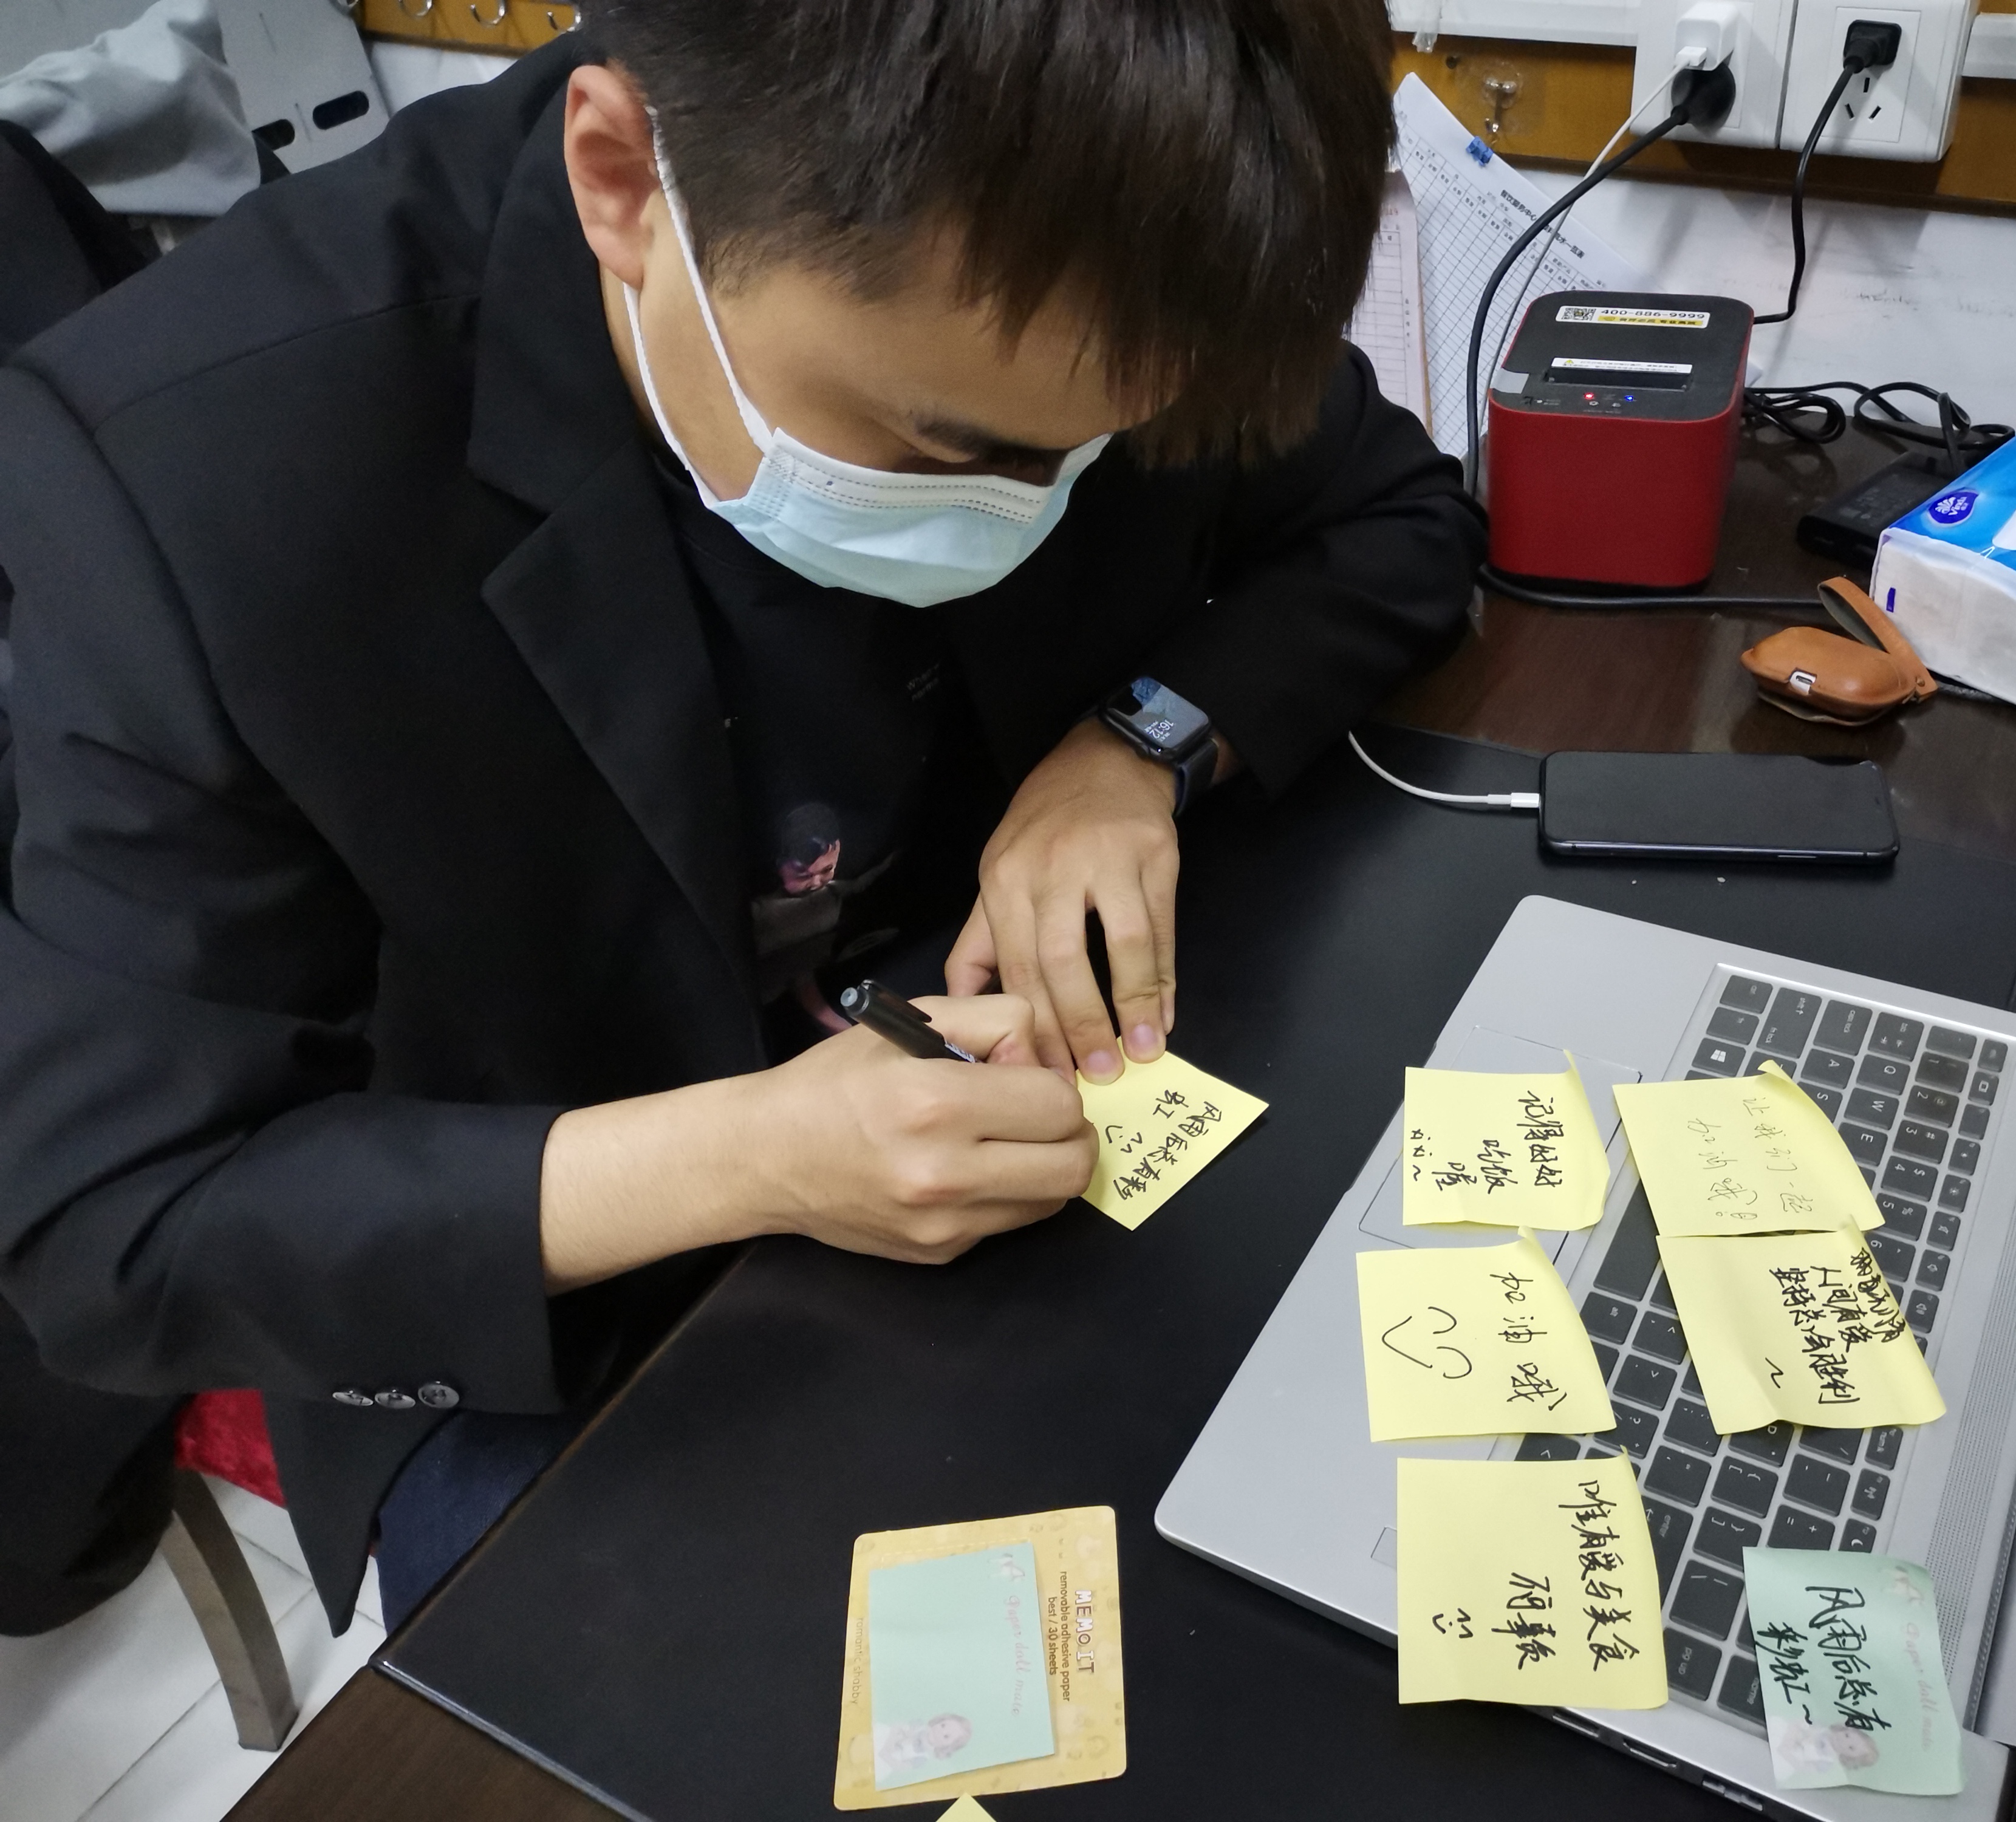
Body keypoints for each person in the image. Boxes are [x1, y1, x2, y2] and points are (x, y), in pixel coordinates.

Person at [0, 0, 1483, 1634]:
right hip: (574, 1276)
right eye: (948, 444)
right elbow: (120, 1228)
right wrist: (751, 1157)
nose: (1036, 503)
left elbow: (1393, 512)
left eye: (1103, 448)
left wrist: (1131, 750)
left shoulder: (1118, 244)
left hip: (1014, 1100)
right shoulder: (199, 474)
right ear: (624, 181)